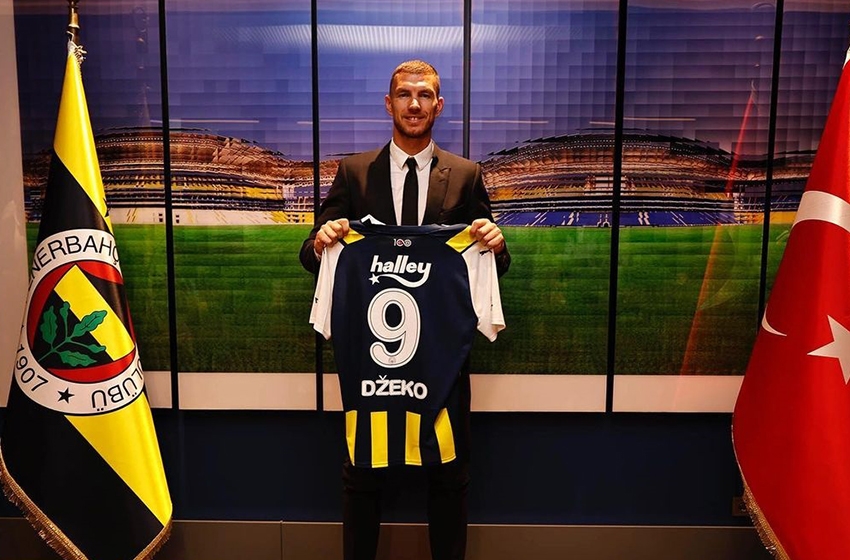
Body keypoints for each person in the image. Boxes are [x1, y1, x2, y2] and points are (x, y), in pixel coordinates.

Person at [300, 59, 510, 560]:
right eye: (404, 94)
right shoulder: (354, 172)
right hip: (372, 359)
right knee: (363, 473)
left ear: (438, 105)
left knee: (448, 475)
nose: (414, 104)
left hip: (441, 357)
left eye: (424, 95)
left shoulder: (466, 175)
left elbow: (490, 265)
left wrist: (497, 245)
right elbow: (311, 256)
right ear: (388, 103)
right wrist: (322, 240)